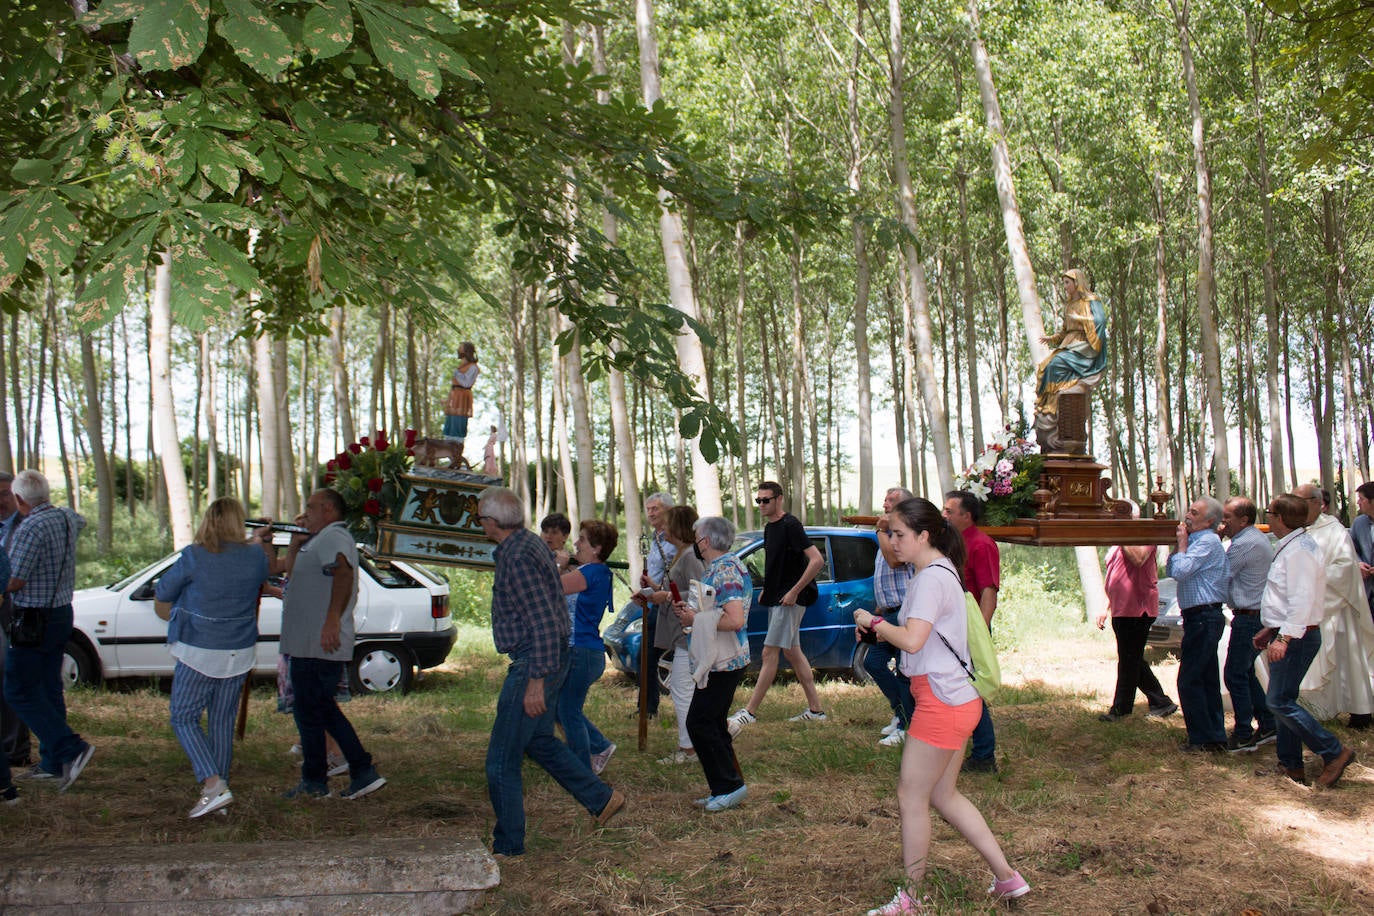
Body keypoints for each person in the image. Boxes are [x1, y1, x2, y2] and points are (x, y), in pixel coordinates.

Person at [854, 498, 1029, 914]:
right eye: (890, 534)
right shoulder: (939, 571)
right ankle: (1008, 878)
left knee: (911, 797)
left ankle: (912, 899)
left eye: (898, 534)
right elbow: (924, 637)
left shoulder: (931, 577)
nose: (892, 542)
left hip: (941, 702)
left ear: (924, 535)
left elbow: (913, 640)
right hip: (955, 699)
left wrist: (875, 622)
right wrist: (885, 633)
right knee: (944, 796)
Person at [477, 487, 625, 856]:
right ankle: (601, 798)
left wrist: (536, 681)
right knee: (539, 741)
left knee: (501, 758)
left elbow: (544, 620)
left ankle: (508, 845)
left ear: (492, 523)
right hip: (550, 657)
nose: (480, 523)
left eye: (480, 518)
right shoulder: (528, 543)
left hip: (534, 661)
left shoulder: (518, 556)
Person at [258, 489, 385, 800]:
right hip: (304, 643)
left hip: (321, 641)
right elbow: (275, 571)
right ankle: (318, 780)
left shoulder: (334, 536)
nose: (306, 512)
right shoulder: (315, 540)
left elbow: (344, 573)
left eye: (312, 507)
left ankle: (359, 770)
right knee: (311, 711)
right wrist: (272, 541)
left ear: (328, 509)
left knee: (320, 709)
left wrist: (331, 620)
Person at [154, 498, 269, 818]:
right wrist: (261, 540)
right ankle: (221, 794)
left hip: (199, 650)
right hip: (240, 650)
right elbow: (266, 571)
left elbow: (163, 593)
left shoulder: (194, 555)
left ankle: (213, 783)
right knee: (221, 721)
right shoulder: (255, 556)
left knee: (183, 716)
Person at [2, 470, 93, 791]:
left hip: (32, 618)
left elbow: (14, 580)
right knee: (47, 688)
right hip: (60, 613)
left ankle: (71, 747)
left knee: (17, 690)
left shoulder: (30, 527)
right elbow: (80, 519)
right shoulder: (66, 518)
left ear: (19, 499)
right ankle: (54, 762)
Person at [1257, 494, 1355, 787]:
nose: (1269, 517)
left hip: (1298, 636)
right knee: (1283, 698)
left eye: (1271, 513)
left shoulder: (1300, 550)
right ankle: (1290, 765)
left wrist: (1284, 638)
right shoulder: (1292, 545)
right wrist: (1271, 629)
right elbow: (1285, 595)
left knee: (1278, 701)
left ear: (1282, 519)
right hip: (1289, 631)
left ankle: (1333, 751)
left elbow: (1302, 599)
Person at [727, 481, 826, 734]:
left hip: (790, 600)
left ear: (779, 499)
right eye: (758, 501)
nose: (761, 505)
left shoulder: (790, 525)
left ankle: (749, 712)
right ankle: (816, 710)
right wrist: (768, 594)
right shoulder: (770, 528)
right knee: (793, 652)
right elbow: (777, 566)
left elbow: (817, 560)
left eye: (766, 500)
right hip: (778, 598)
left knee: (770, 653)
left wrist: (794, 591)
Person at [673, 515, 752, 812]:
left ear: (704, 541)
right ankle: (726, 787)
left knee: (699, 722)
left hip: (724, 660)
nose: (695, 542)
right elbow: (716, 610)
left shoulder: (724, 570)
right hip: (725, 658)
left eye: (696, 536)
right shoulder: (721, 567)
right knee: (713, 722)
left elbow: (734, 619)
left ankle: (729, 788)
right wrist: (691, 612)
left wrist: (696, 619)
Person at [1291, 483, 1374, 729]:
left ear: (1316, 503)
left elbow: (1345, 568)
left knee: (1346, 662)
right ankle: (1315, 710)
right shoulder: (1297, 529)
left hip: (1336, 607)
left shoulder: (1334, 530)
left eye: (1301, 502)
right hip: (1306, 609)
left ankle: (1359, 711)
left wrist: (1312, 578)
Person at [1096, 502, 1177, 722]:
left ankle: (1121, 710)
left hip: (1138, 607)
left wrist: (1122, 531)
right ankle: (1160, 701)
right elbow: (1113, 576)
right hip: (1121, 607)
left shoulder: (1144, 534)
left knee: (1129, 659)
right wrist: (1105, 606)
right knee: (1131, 658)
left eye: (1118, 515)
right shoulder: (1117, 539)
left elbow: (1138, 559)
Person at [1167, 496, 1231, 753]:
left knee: (1190, 680)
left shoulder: (1206, 541)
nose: (1188, 516)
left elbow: (1180, 570)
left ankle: (1202, 739)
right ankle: (1213, 737)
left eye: (1195, 513)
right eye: (1189, 511)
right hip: (1200, 616)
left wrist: (1181, 544)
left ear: (1210, 521)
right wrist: (1180, 548)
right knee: (1205, 678)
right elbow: (1172, 568)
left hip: (1204, 617)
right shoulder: (1198, 540)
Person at [943, 491, 1001, 773]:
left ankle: (984, 755)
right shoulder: (953, 543)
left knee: (972, 690)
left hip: (971, 630)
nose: (945, 516)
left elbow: (988, 591)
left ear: (967, 516)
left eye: (949, 511)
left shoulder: (981, 544)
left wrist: (981, 633)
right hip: (954, 630)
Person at [557, 519, 619, 773]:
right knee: (563, 708)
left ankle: (583, 765)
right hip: (586, 650)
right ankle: (598, 746)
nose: (576, 543)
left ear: (596, 548)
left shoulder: (589, 573)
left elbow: (551, 587)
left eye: (581, 539)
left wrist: (557, 564)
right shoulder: (597, 572)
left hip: (581, 650)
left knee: (566, 710)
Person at [1219, 496, 1276, 752]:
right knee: (1245, 672)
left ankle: (1243, 733)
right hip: (1252, 614)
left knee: (1234, 673)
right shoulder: (1250, 539)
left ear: (1244, 519)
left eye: (1228, 518)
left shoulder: (1244, 544)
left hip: (1249, 616)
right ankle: (1267, 722)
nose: (1223, 523)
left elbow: (1221, 573)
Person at [650, 505, 704, 765]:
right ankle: (692, 745)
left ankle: (690, 750)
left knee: (682, 689)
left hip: (690, 632)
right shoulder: (683, 553)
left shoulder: (692, 555)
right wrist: (654, 590)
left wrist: (667, 596)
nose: (663, 528)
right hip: (681, 632)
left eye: (667, 523)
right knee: (684, 689)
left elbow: (701, 593)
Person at [1034, 269, 1107, 451]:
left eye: (1068, 282)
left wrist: (1082, 318)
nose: (1065, 286)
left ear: (1077, 283)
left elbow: (1100, 322)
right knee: (1045, 366)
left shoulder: (1091, 301)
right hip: (1069, 343)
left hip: (1084, 346)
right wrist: (1051, 339)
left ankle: (1053, 406)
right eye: (1064, 283)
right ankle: (1050, 406)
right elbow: (1065, 330)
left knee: (1055, 365)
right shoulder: (1069, 305)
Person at [866, 487, 916, 747]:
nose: (885, 503)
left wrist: (879, 531)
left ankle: (908, 725)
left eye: (892, 500)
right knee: (873, 662)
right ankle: (901, 714)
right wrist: (879, 608)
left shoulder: (901, 534)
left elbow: (895, 562)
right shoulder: (888, 534)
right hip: (888, 612)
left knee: (904, 671)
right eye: (884, 498)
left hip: (903, 612)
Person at [0, 472, 32, 771]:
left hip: (16, 613)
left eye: (4, 494)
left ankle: (15, 750)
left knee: (11, 681)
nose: (0, 501)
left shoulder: (26, 526)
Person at [635, 493, 677, 719]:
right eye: (648, 509)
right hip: (653, 602)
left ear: (668, 510)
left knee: (648, 655)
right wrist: (646, 587)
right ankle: (646, 707)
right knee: (646, 656)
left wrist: (658, 588)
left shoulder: (673, 539)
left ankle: (648, 708)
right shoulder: (654, 538)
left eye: (655, 509)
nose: (650, 513)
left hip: (668, 604)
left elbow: (674, 575)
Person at [442, 341, 479, 441]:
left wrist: (457, 373)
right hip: (454, 399)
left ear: (466, 351)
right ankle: (448, 451)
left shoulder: (473, 367)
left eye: (460, 348)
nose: (458, 350)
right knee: (448, 429)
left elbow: (466, 383)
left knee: (457, 427)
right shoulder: (461, 366)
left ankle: (456, 451)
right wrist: (447, 400)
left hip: (462, 399)